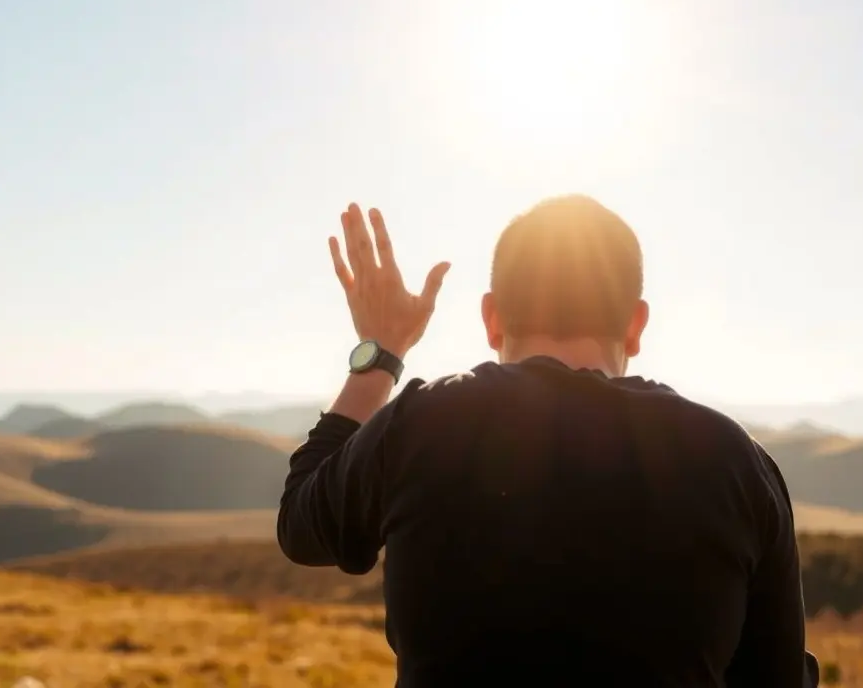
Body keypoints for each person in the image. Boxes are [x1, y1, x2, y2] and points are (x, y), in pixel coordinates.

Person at [277, 196, 819, 687]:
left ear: (491, 319)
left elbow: (301, 527)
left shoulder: (421, 423)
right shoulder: (734, 460)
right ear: (636, 325)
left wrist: (382, 351)